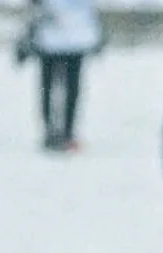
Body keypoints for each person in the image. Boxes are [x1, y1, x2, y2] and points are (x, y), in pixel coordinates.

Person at [26, 0, 102, 152]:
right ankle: (55, 132)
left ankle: (63, 132)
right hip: (55, 37)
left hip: (72, 37)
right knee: (54, 88)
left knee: (63, 88)